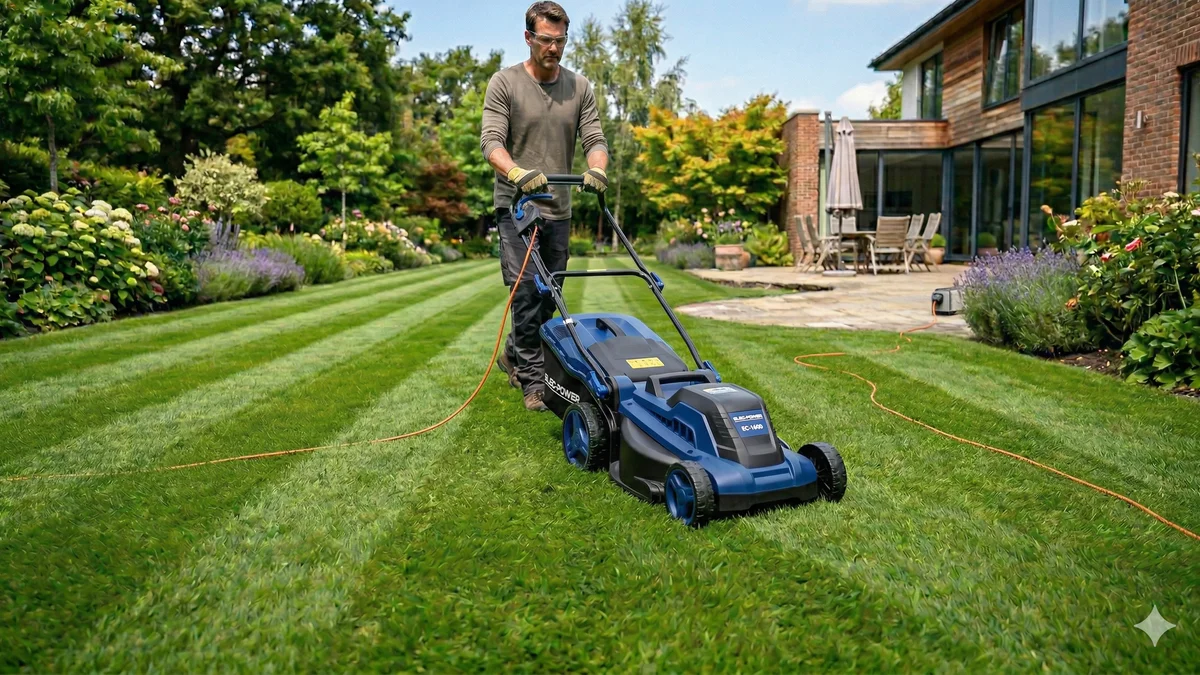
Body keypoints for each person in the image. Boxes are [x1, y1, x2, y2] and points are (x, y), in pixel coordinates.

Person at [480, 1, 609, 412]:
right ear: (528, 37)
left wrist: (598, 170)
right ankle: (533, 384)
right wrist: (517, 173)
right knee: (527, 296)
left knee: (550, 295)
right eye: (546, 40)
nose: (554, 48)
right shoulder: (505, 83)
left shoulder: (580, 87)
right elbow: (491, 143)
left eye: (560, 41)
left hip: (559, 208)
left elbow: (595, 139)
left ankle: (514, 353)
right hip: (516, 209)